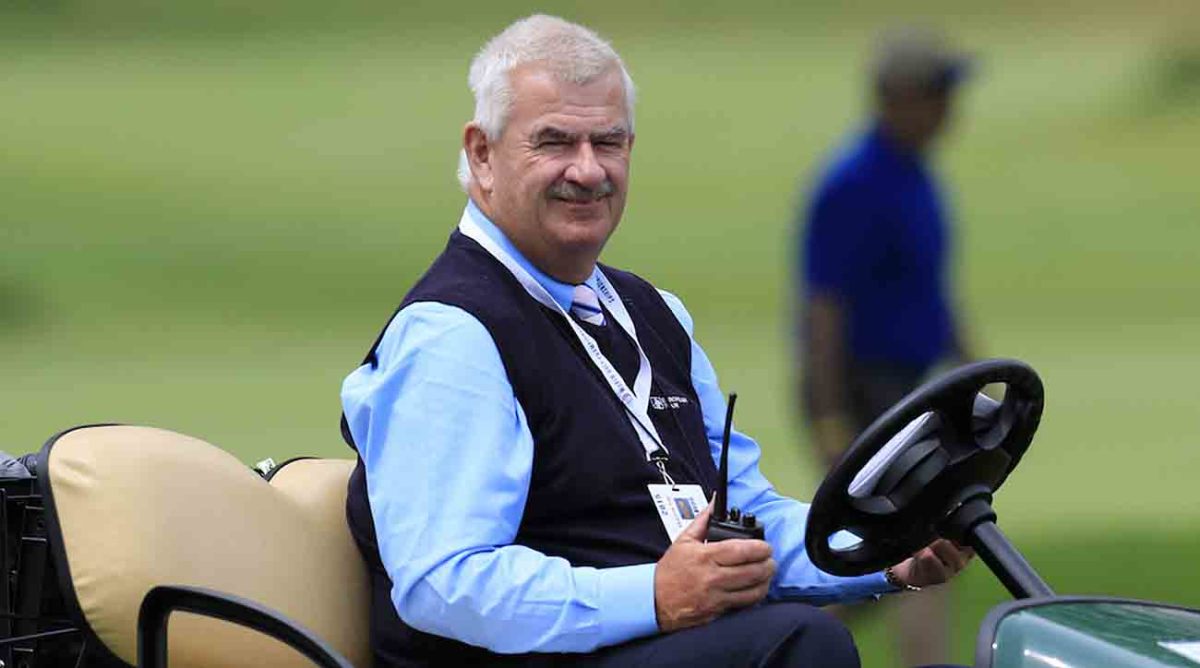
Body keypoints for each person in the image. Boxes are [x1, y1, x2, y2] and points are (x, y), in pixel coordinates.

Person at [342, 15, 971, 668]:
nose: (588, 171)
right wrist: (655, 594)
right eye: (554, 142)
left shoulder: (651, 315)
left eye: (608, 143)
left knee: (790, 634)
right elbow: (443, 584)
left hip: (649, 646)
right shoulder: (454, 333)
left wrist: (883, 547)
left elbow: (741, 522)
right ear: (482, 154)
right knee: (798, 643)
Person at [796, 27, 976, 667]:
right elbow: (822, 309)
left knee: (906, 547)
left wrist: (972, 367)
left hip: (914, 385)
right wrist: (828, 414)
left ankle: (773, 645)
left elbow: (930, 287)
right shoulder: (853, 184)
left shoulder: (914, 175)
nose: (951, 108)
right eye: (938, 93)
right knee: (922, 536)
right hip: (865, 387)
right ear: (899, 98)